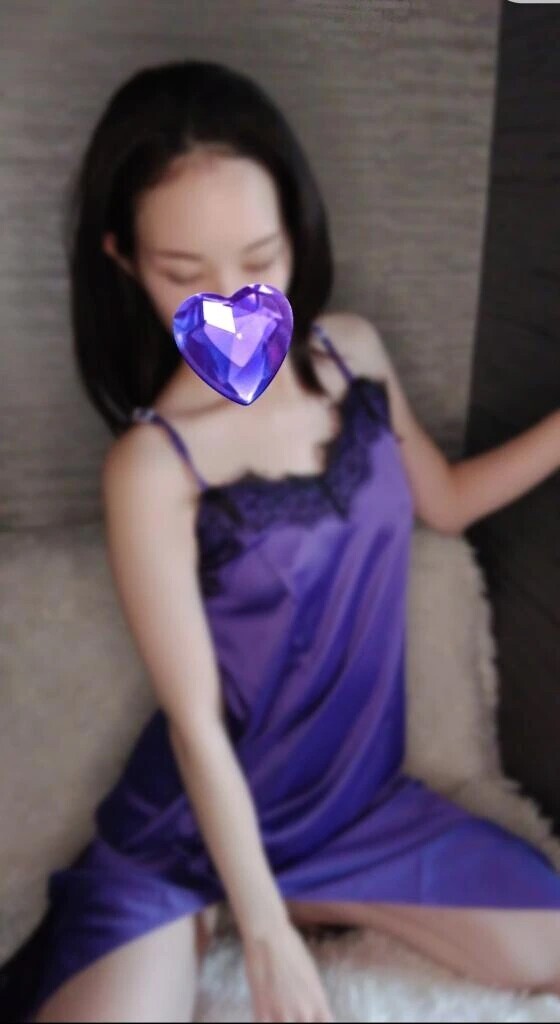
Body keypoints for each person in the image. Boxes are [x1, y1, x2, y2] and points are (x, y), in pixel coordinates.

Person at [2, 58, 560, 1024]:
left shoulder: (352, 351)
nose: (231, 300)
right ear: (124, 260)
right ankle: (234, 905)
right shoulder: (152, 466)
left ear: (296, 231)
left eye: (259, 261)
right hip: (189, 834)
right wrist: (261, 933)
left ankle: (303, 897)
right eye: (184, 273)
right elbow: (195, 725)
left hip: (357, 811)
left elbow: (448, 503)